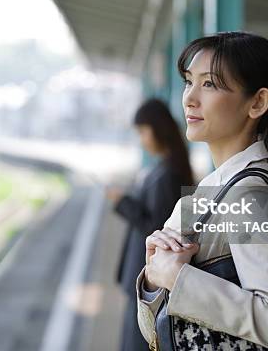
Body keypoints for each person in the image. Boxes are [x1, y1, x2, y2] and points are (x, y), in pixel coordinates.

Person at [136, 32, 268, 350]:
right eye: (189, 81)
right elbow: (156, 331)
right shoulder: (218, 188)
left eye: (209, 84)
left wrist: (176, 277)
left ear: (257, 103)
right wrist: (155, 271)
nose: (189, 98)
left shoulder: (247, 197)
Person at [107, 98, 194, 351]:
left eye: (144, 131)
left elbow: (156, 227)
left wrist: (122, 201)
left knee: (137, 341)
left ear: (159, 129)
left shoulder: (167, 175)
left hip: (149, 279)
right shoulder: (166, 168)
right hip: (145, 277)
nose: (142, 139)